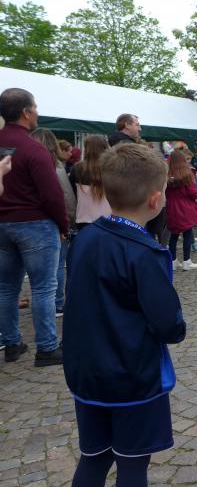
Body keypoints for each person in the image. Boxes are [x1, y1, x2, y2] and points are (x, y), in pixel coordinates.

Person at [63, 143, 186, 487]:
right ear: (155, 200)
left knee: (94, 457)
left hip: (87, 372)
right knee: (132, 463)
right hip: (132, 376)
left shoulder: (85, 238)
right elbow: (168, 324)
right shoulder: (145, 252)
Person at [0, 88, 68, 366]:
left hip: (2, 225)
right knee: (43, 288)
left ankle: (11, 343)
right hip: (35, 225)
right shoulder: (34, 148)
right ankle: (47, 348)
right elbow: (52, 195)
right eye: (36, 107)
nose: (37, 112)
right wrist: (63, 224)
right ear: (26, 112)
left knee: (6, 288)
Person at [31, 129, 77, 317]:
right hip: (51, 224)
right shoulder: (55, 167)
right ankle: (58, 304)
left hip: (28, 223)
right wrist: (67, 224)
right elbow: (65, 198)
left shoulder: (25, 163)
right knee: (54, 269)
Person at [165, 151, 197, 271]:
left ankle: (173, 261)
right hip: (185, 206)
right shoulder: (187, 174)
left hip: (171, 206)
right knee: (187, 233)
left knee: (174, 235)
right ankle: (187, 261)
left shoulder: (166, 174)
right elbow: (194, 193)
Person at [69, 135, 112, 230]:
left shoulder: (77, 168)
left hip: (84, 219)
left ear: (86, 149)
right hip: (109, 218)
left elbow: (73, 193)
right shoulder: (112, 168)